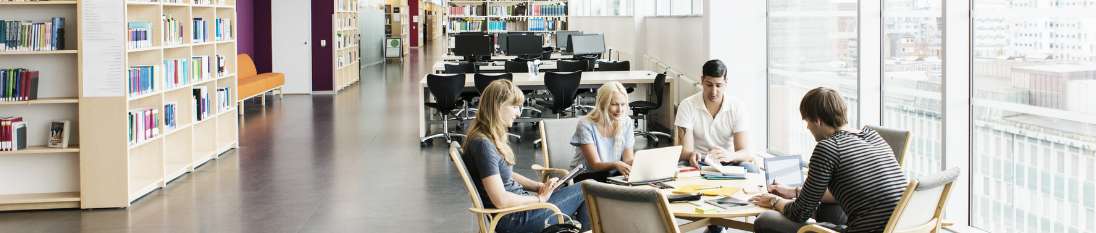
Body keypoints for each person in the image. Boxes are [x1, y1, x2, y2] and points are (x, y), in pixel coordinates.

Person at [749, 87, 908, 233]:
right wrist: (794, 192)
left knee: (765, 220)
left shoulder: (828, 148)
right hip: (900, 227)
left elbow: (800, 212)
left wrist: (774, 201)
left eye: (807, 121)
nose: (807, 127)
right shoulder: (873, 136)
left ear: (817, 121)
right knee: (828, 209)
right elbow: (855, 189)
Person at [462, 80, 590, 233]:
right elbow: (501, 200)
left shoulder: (484, 137)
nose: (518, 113)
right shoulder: (483, 144)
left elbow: (504, 175)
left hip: (519, 213)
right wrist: (539, 199)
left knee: (586, 188)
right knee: (587, 188)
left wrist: (538, 187)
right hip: (516, 219)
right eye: (515, 106)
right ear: (497, 106)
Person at [674, 59, 758, 172]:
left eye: (718, 85)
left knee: (751, 169)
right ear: (702, 80)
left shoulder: (737, 106)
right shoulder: (687, 105)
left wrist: (730, 156)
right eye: (709, 85)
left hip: (728, 162)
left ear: (726, 82)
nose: (713, 92)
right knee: (678, 169)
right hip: (698, 162)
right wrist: (690, 155)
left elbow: (745, 152)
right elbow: (684, 151)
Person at [570, 81, 636, 182]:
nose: (620, 110)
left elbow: (627, 160)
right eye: (614, 104)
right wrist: (616, 164)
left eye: (623, 104)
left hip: (610, 173)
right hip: (586, 176)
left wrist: (642, 162)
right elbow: (594, 165)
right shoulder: (585, 124)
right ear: (602, 104)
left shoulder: (626, 122)